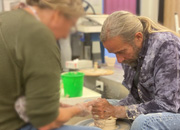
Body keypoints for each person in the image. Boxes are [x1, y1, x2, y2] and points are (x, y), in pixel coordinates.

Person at [0, 0, 101, 130]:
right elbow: (47, 122)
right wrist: (77, 109)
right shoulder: (39, 34)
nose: (65, 35)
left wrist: (52, 105)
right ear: (58, 15)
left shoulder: (6, 17)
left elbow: (12, 89)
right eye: (71, 26)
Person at [91, 10, 180, 130]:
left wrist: (118, 111)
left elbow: (168, 105)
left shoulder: (167, 46)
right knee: (96, 107)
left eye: (121, 52)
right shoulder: (130, 54)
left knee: (143, 123)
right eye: (114, 53)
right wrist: (107, 109)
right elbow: (136, 99)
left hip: (175, 111)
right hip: (159, 108)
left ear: (138, 37)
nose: (119, 59)